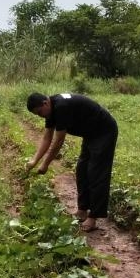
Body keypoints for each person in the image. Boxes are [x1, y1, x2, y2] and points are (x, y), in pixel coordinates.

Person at [25, 92, 118, 232]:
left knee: (96, 173)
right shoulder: (50, 111)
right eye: (37, 114)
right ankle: (82, 210)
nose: (40, 116)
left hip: (104, 131)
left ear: (45, 103)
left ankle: (93, 217)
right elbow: (47, 138)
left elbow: (58, 141)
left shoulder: (61, 107)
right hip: (90, 134)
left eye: (39, 112)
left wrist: (45, 164)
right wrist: (34, 161)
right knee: (82, 170)